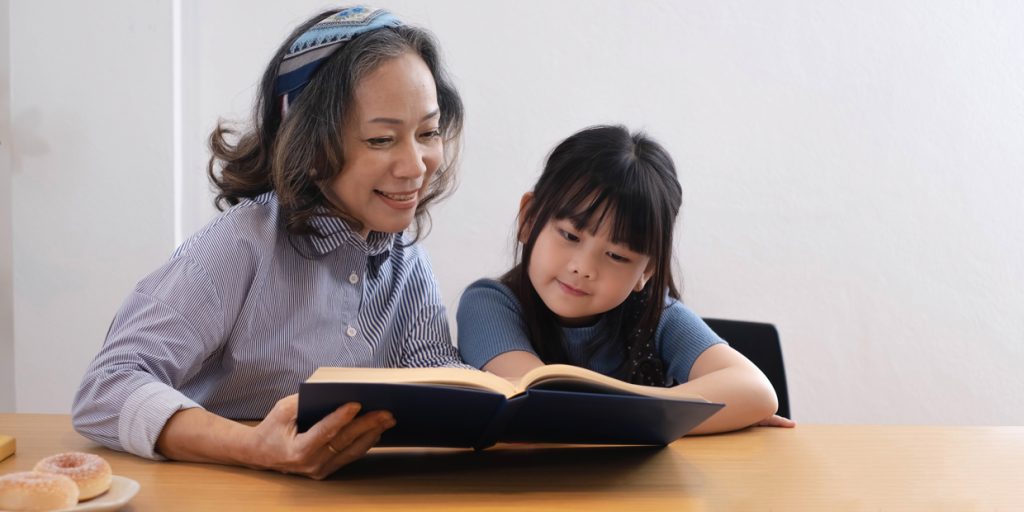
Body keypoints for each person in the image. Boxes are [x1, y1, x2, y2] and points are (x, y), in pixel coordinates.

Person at [73, 6, 469, 479]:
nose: (416, 165)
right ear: (311, 145)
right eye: (381, 139)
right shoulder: (240, 245)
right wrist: (254, 446)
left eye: (428, 132)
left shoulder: (409, 263)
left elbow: (438, 391)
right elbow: (105, 389)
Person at [457, 125, 795, 434]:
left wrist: (642, 412)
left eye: (617, 256)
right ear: (529, 219)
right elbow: (541, 401)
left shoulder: (656, 316)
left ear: (646, 271)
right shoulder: (489, 305)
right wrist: (682, 410)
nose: (584, 268)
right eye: (570, 235)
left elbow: (756, 391)